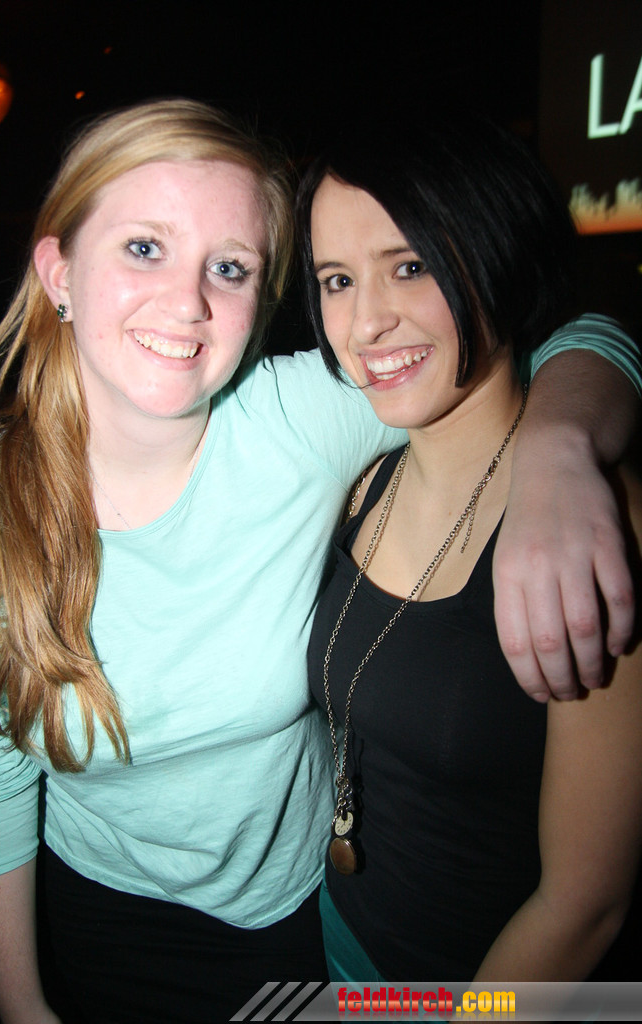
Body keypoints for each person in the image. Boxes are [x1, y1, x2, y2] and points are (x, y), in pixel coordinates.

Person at [0, 99, 639, 1024]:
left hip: (296, 919)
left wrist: (561, 453)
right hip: (98, 917)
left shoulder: (297, 419)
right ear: (58, 272)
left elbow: (551, 328)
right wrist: (19, 1001)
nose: (188, 303)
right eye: (144, 248)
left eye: (230, 267)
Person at [299, 109, 642, 983]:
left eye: (409, 267)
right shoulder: (362, 482)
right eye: (336, 280)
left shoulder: (597, 519)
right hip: (328, 930)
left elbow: (583, 907)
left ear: (496, 250)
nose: (364, 323)